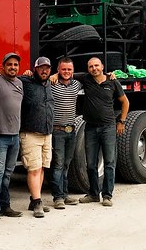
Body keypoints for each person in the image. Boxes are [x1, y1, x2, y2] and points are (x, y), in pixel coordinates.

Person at [76, 57, 129, 207]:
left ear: (102, 66)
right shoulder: (85, 79)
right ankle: (93, 194)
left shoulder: (112, 81)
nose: (94, 68)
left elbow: (125, 102)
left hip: (108, 128)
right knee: (91, 163)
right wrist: (54, 75)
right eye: (91, 66)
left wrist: (122, 121)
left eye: (96, 65)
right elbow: (66, 74)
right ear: (88, 69)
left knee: (109, 162)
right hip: (91, 128)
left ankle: (107, 195)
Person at [0, 52, 24, 222]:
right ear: (3, 66)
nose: (13, 67)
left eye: (16, 65)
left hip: (14, 137)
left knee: (8, 174)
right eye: (9, 64)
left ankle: (5, 206)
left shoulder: (20, 83)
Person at [19, 56, 55, 217]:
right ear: (35, 68)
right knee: (33, 169)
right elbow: (5, 76)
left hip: (47, 133)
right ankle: (38, 202)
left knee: (41, 169)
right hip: (30, 134)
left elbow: (70, 74)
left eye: (47, 68)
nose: (44, 70)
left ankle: (35, 200)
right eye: (41, 67)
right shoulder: (25, 82)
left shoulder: (49, 83)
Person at [49, 57, 83, 209]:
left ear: (73, 70)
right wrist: (53, 76)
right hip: (57, 132)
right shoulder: (52, 84)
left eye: (69, 69)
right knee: (58, 165)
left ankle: (65, 194)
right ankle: (58, 198)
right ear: (58, 69)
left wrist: (110, 75)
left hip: (72, 131)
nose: (66, 72)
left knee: (67, 165)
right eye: (63, 69)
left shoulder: (76, 84)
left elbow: (90, 76)